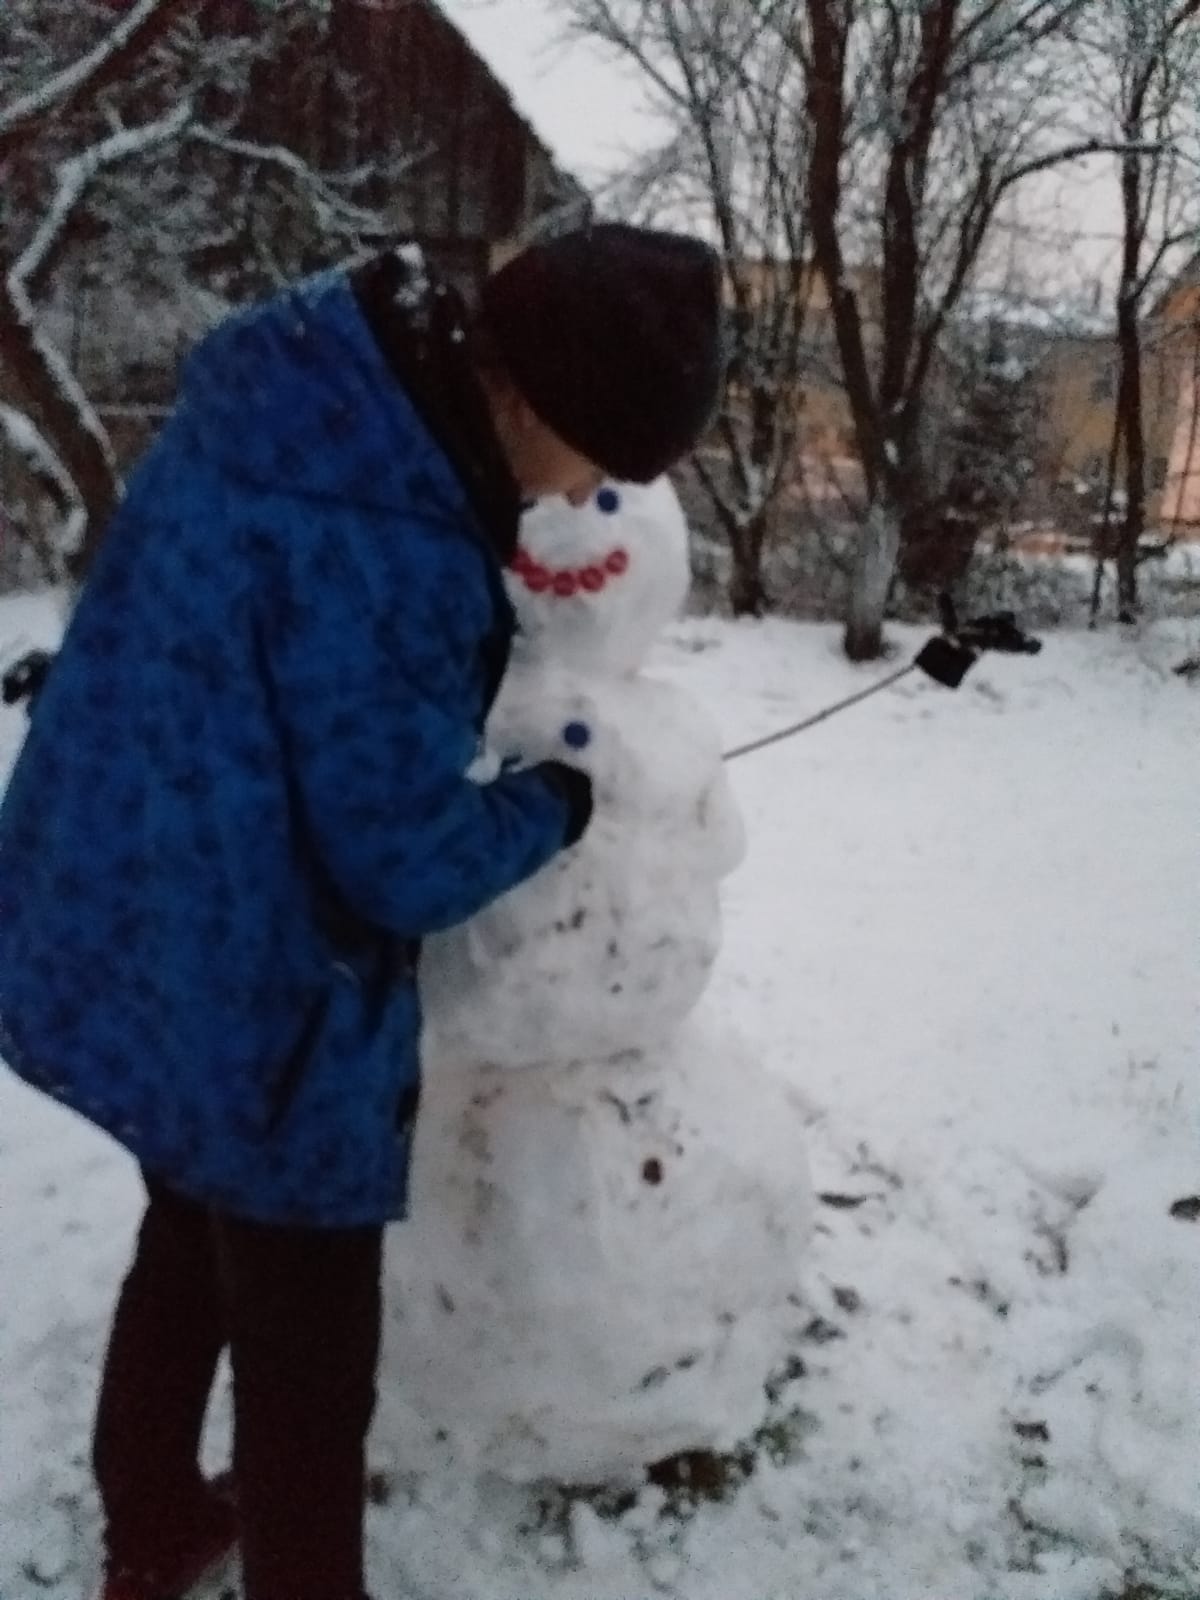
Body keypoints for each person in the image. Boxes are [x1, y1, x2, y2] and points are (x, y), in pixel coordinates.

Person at [0, 222, 725, 1600]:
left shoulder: (301, 404)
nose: (592, 497)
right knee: (310, 1370)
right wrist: (551, 806)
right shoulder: (390, 536)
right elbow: (403, 858)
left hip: (132, 901)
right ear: (543, 399)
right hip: (256, 983)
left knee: (186, 1233)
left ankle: (152, 1531)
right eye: (606, 461)